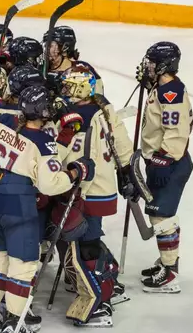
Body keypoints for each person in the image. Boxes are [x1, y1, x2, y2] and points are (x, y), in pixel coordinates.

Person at [0, 86, 95, 333]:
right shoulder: (43, 142)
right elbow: (49, 184)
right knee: (22, 267)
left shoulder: (2, 122)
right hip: (19, 208)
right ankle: (15, 320)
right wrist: (76, 172)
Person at [54, 62, 133, 327]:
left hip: (86, 190)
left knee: (85, 242)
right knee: (87, 238)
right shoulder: (104, 107)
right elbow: (123, 145)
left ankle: (101, 300)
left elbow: (69, 156)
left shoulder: (77, 117)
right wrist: (127, 172)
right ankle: (103, 280)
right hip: (104, 187)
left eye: (68, 85)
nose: (64, 89)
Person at [137, 42, 193, 294]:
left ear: (164, 65)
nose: (147, 66)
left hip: (170, 163)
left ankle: (170, 274)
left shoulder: (170, 93)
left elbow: (177, 131)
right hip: (162, 161)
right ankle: (166, 263)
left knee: (162, 216)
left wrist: (164, 159)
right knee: (159, 214)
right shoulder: (162, 88)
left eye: (151, 63)